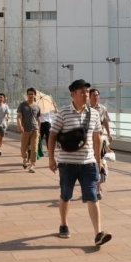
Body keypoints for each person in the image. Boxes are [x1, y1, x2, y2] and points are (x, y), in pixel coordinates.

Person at [49, 79, 112, 247]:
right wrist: (51, 159)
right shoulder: (63, 113)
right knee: (66, 195)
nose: (86, 95)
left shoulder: (95, 114)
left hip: (89, 163)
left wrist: (99, 161)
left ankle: (98, 233)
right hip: (67, 163)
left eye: (87, 92)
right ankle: (64, 224)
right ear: (73, 94)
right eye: (82, 92)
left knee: (92, 195)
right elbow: (52, 135)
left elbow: (97, 137)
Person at [89, 89, 113, 198]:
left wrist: (109, 134)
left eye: (97, 95)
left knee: (100, 161)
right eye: (94, 95)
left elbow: (106, 121)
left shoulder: (102, 109)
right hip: (89, 140)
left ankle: (97, 186)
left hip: (100, 138)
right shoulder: (85, 109)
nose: (96, 97)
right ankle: (96, 186)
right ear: (89, 96)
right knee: (93, 162)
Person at [17, 87, 41, 173]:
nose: (31, 95)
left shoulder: (37, 106)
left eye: (32, 94)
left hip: (35, 129)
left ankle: (32, 165)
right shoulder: (22, 105)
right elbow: (19, 116)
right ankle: (25, 159)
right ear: (27, 95)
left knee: (34, 148)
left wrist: (39, 130)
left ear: (35, 95)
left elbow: (38, 119)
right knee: (24, 148)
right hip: (25, 130)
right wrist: (20, 125)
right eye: (29, 94)